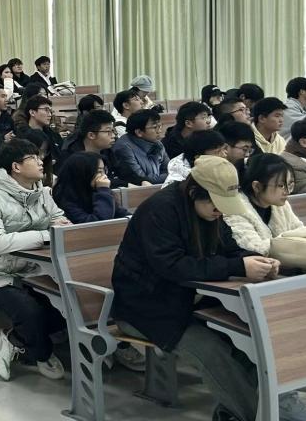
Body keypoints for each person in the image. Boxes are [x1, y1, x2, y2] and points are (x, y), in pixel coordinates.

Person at [111, 157, 270, 421]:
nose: (220, 212)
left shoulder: (207, 211)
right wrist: (239, 266)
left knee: (250, 342)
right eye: (216, 205)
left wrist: (255, 261)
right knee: (212, 350)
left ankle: (237, 412)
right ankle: (257, 416)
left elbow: (229, 248)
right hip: (146, 308)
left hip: (189, 302)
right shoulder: (159, 211)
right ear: (195, 192)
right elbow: (173, 266)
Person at [222, 154, 306, 421]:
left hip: (279, 279)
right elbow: (256, 248)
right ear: (257, 186)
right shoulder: (236, 207)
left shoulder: (280, 204)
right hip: (246, 286)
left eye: (290, 185)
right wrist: (294, 245)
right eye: (281, 185)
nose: (287, 191)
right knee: (288, 322)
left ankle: (296, 374)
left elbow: (301, 232)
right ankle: (284, 397)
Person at [0, 139, 68, 381]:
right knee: (31, 312)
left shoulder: (42, 193)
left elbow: (60, 222)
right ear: (16, 167)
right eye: (33, 158)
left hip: (31, 271)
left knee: (65, 309)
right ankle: (40, 352)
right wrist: (45, 235)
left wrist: (57, 227)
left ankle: (12, 339)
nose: (41, 162)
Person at [52, 151, 129, 223]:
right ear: (82, 174)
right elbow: (101, 223)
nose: (104, 176)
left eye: (104, 171)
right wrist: (103, 190)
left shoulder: (94, 190)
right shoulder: (66, 201)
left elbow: (122, 213)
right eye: (99, 171)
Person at [111, 109, 168, 185]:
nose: (159, 131)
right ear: (139, 132)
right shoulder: (123, 148)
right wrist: (166, 177)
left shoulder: (158, 144)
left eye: (159, 126)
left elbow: (170, 170)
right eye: (155, 127)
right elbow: (140, 179)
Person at [13, 96, 63, 170]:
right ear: (32, 112)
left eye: (50, 111)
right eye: (46, 110)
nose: (50, 114)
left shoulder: (53, 135)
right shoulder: (23, 137)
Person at [163, 129, 227, 186]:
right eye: (217, 152)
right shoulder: (180, 183)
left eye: (224, 149)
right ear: (198, 158)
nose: (224, 155)